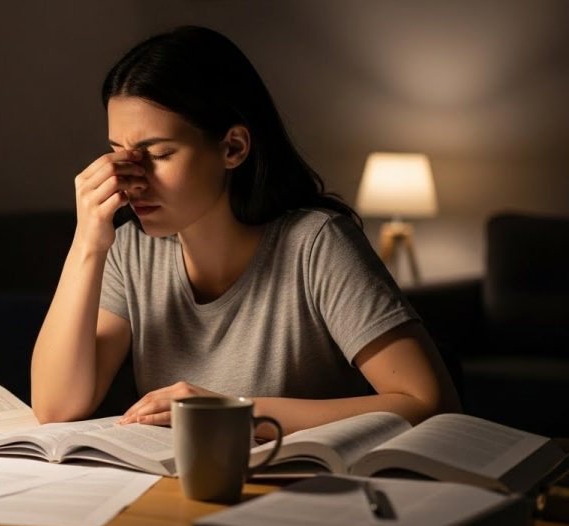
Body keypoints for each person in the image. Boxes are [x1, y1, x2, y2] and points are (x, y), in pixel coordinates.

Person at [30, 25, 461, 437]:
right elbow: (55, 408)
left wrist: (235, 412)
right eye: (118, 155)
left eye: (158, 154)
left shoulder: (316, 244)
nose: (132, 178)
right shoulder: (131, 251)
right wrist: (87, 244)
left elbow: (431, 404)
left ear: (233, 147)